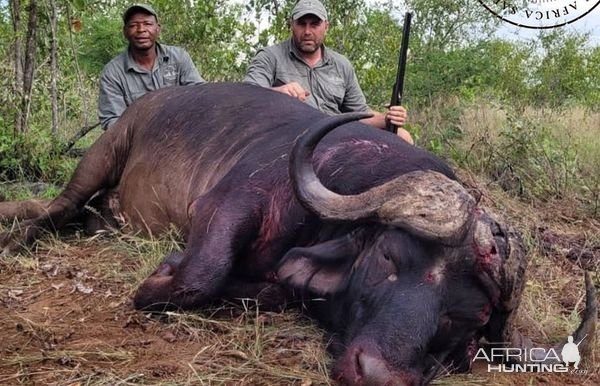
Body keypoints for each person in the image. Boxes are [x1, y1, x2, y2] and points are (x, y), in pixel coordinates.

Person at [244, 0, 413, 144]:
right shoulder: (270, 56)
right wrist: (277, 93)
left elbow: (359, 113)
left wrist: (387, 118)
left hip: (335, 135)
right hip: (289, 136)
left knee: (404, 137)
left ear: (326, 26)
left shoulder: (341, 64)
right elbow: (246, 96)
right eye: (302, 24)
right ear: (291, 25)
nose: (308, 32)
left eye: (315, 24)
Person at [98, 4, 205, 130]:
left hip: (180, 132)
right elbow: (112, 122)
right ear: (125, 32)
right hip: (138, 140)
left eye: (147, 24)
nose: (141, 29)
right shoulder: (113, 73)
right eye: (133, 25)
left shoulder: (179, 57)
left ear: (158, 29)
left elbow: (201, 94)